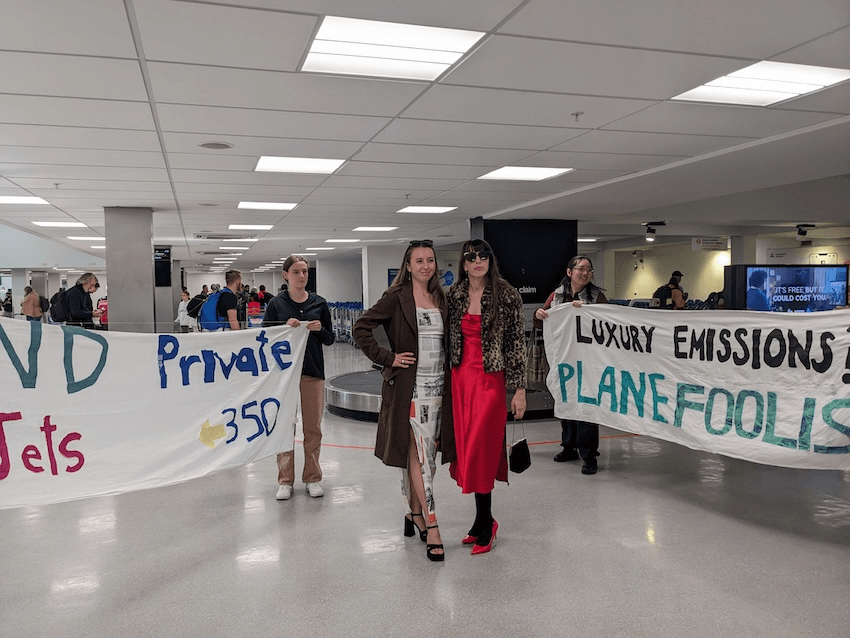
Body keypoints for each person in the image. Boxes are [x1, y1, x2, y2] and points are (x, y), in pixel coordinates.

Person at [353, 240, 448, 562]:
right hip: (411, 391)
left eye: (430, 260)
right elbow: (361, 327)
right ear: (407, 265)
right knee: (421, 459)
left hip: (439, 391)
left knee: (425, 460)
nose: (425, 266)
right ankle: (432, 526)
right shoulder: (396, 298)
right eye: (418, 260)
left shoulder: (441, 298)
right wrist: (387, 358)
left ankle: (414, 514)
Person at [442, 238, 526, 556]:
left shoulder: (506, 294)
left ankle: (487, 520)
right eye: (471, 257)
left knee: (481, 448)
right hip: (461, 379)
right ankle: (480, 522)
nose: (478, 261)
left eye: (484, 256)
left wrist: (519, 390)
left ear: (490, 260)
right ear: (463, 264)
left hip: (490, 381)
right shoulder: (456, 295)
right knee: (468, 450)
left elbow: (517, 344)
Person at [264, 256, 334, 500]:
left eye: (305, 271)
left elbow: (329, 338)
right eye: (296, 271)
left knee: (313, 427)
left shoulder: (320, 304)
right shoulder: (276, 304)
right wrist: (284, 327)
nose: (302, 276)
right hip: (284, 376)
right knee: (284, 427)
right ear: (286, 275)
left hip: (313, 372)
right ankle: (285, 480)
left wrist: (319, 329)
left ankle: (312, 477)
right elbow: (266, 337)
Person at [535, 255, 608, 474]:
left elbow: (606, 324)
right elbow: (541, 323)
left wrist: (585, 312)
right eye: (581, 269)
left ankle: (589, 454)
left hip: (589, 362)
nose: (585, 273)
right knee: (566, 402)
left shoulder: (597, 297)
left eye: (589, 270)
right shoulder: (556, 296)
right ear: (570, 272)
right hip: (565, 360)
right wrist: (539, 315)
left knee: (586, 406)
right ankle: (569, 446)